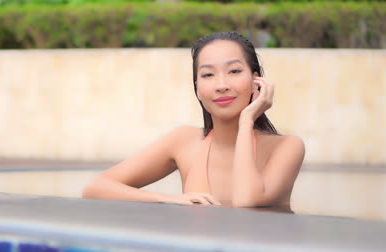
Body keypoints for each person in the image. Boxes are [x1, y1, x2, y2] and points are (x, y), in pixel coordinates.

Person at [82, 31, 305, 208]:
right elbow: (96, 189)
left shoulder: (287, 147)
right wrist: (170, 200)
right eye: (208, 74)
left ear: (256, 80)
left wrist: (247, 120)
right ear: (197, 88)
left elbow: (246, 202)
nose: (221, 85)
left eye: (234, 71)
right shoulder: (184, 141)